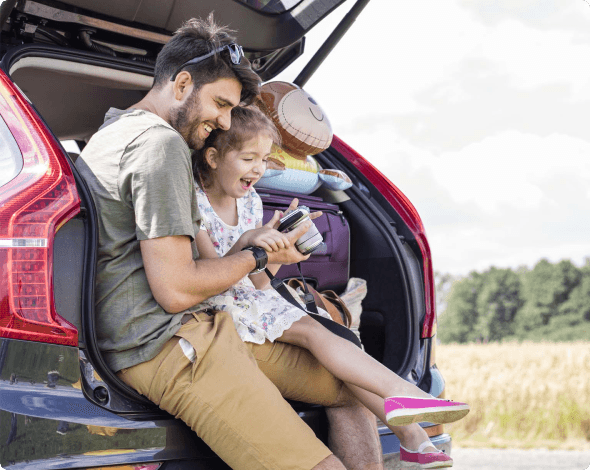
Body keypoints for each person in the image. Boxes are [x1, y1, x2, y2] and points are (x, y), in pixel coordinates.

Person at [75, 15, 385, 470]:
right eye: (219, 104)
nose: (223, 120)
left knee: (355, 386)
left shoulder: (112, 131)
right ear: (181, 84)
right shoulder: (159, 146)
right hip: (172, 345)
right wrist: (258, 253)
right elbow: (177, 288)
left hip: (207, 326)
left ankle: (414, 427)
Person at [192, 105, 468, 469]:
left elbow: (259, 280)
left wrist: (279, 252)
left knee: (332, 335)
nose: (259, 169)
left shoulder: (251, 200)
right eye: (248, 158)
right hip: (221, 310)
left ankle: (408, 418)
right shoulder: (194, 203)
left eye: (264, 159)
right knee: (318, 334)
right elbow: (209, 278)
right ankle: (405, 409)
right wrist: (247, 243)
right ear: (212, 157)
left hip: (253, 301)